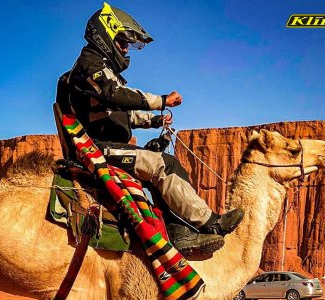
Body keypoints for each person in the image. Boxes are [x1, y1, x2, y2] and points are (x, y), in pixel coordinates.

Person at [56, 2, 244, 255]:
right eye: (122, 42)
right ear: (104, 36)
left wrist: (155, 121)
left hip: (106, 145)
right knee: (163, 165)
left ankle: (179, 231)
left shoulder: (97, 68)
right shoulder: (90, 65)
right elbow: (115, 95)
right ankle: (210, 222)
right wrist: (162, 101)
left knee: (164, 161)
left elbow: (120, 113)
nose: (125, 49)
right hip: (97, 149)